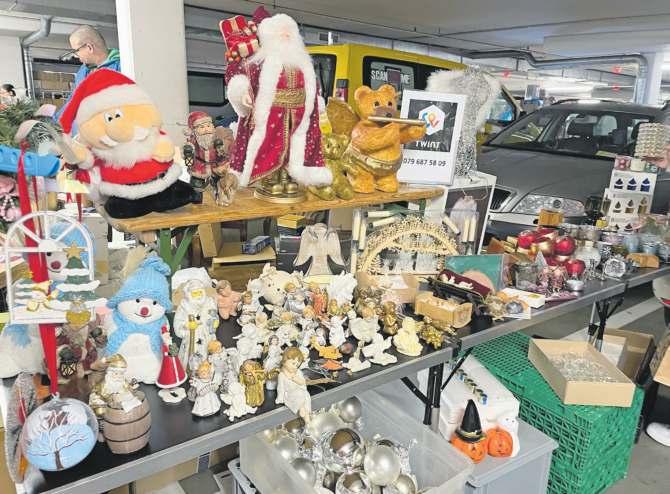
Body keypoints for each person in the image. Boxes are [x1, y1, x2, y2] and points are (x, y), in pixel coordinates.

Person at [56, 25, 121, 132]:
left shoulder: (121, 67)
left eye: (76, 50)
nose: (75, 55)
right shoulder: (83, 70)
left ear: (89, 47)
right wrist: (52, 124)